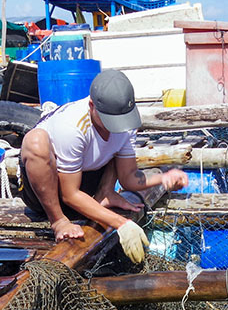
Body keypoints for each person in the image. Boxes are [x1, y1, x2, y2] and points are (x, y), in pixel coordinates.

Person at [20, 69, 188, 263]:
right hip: (48, 191)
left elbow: (128, 178)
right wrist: (121, 224)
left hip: (87, 180)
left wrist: (163, 179)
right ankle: (58, 220)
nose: (114, 127)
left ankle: (106, 193)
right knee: (35, 141)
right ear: (92, 105)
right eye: (109, 120)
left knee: (116, 145)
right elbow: (69, 194)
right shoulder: (72, 126)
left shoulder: (127, 122)